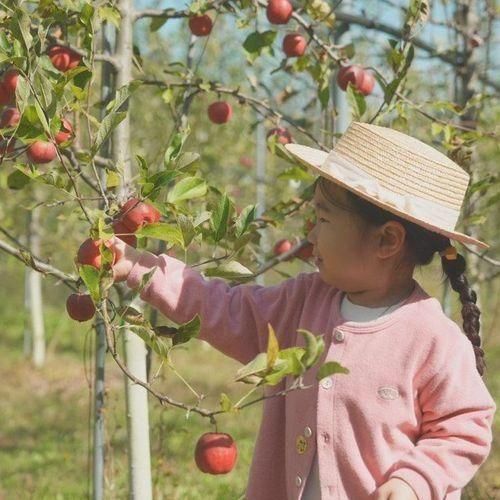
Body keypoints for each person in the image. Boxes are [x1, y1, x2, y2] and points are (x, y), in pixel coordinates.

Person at [109, 121, 496, 500]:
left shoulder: (433, 340)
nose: (311, 235)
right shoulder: (302, 302)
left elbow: (464, 427)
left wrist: (416, 480)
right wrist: (137, 265)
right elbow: (223, 308)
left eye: (324, 219)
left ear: (387, 240)